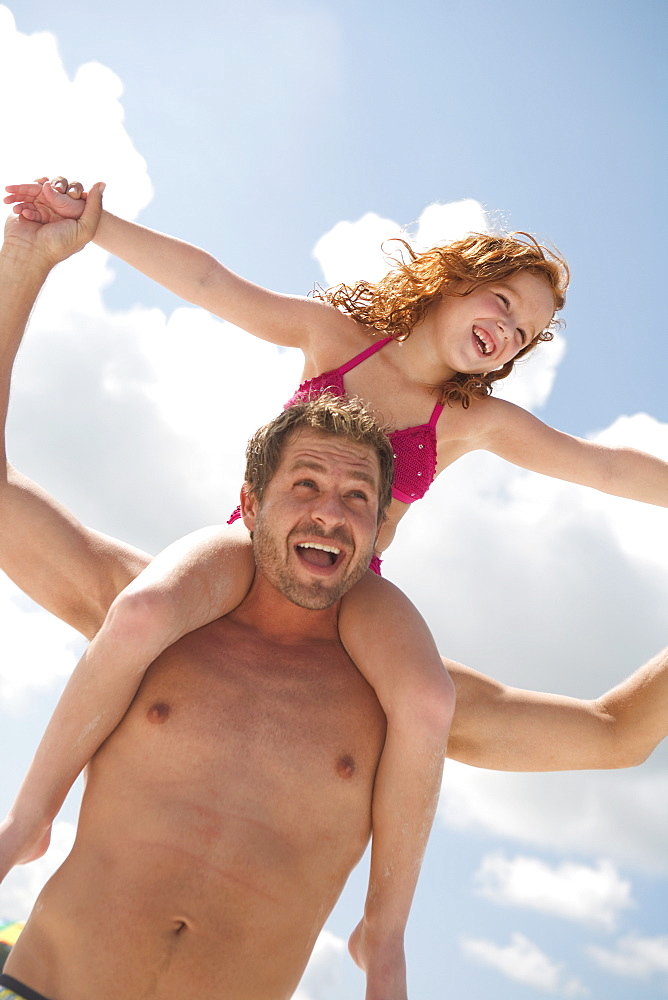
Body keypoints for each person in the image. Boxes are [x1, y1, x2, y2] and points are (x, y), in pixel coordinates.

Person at [1, 201, 667, 1000]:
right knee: (140, 612)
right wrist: (93, 230)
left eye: (527, 332)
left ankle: (380, 937)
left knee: (426, 698)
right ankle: (29, 818)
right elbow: (213, 280)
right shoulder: (334, 338)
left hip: (360, 587)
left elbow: (605, 467)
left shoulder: (471, 419)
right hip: (243, 552)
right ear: (453, 280)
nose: (512, 330)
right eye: (505, 302)